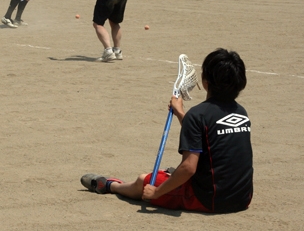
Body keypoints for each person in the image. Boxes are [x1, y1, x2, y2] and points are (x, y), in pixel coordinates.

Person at [81, 49, 253, 214]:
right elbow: (208, 135)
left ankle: (111, 185)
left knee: (144, 181)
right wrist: (180, 112)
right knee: (175, 173)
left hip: (209, 199)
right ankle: (170, 177)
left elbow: (188, 168)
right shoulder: (241, 112)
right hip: (242, 197)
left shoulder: (198, 115)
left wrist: (156, 193)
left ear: (205, 82)